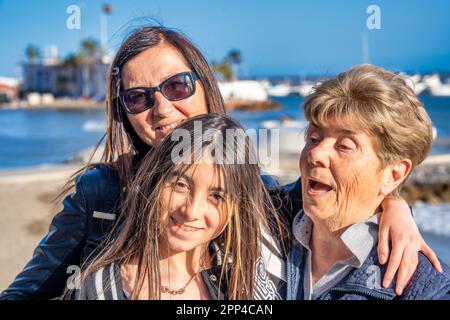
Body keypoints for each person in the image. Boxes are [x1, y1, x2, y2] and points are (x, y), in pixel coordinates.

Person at [0, 26, 440, 300]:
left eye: (176, 86)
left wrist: (391, 203)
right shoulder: (101, 193)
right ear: (125, 115)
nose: (161, 109)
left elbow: (328, 197)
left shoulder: (255, 189)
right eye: (138, 97)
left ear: (207, 88)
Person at [65, 114, 288, 300]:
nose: (191, 211)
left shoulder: (249, 279)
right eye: (181, 185)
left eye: (217, 196)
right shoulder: (98, 289)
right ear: (155, 182)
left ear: (237, 208)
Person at [285, 64, 450, 300]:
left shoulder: (428, 291)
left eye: (344, 146)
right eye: (313, 138)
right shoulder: (263, 218)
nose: (315, 154)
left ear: (394, 175)